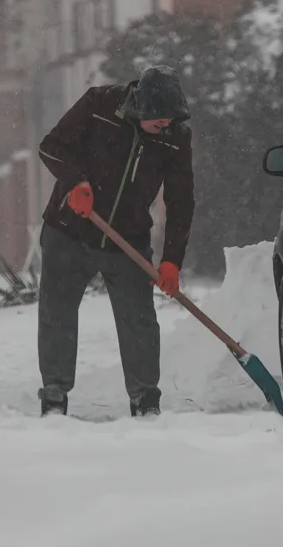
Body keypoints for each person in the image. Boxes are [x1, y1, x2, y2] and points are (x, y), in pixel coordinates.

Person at [34, 65, 195, 418]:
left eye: (170, 121)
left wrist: (172, 260)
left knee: (139, 319)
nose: (164, 126)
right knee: (57, 314)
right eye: (159, 120)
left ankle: (145, 399)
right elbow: (51, 147)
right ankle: (55, 395)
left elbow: (181, 201)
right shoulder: (99, 104)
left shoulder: (176, 138)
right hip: (70, 228)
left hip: (128, 238)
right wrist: (76, 183)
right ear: (142, 107)